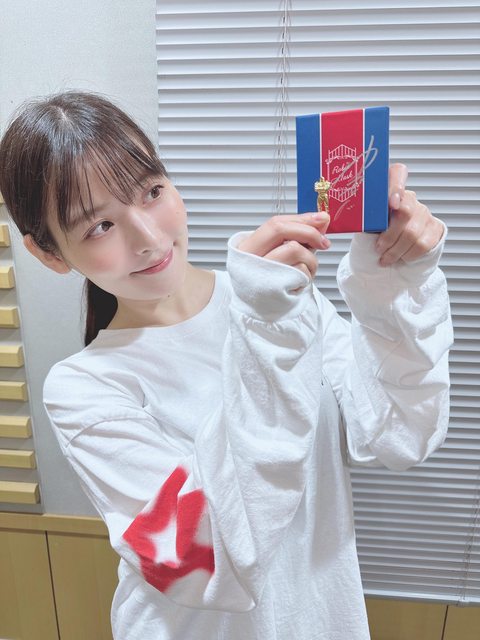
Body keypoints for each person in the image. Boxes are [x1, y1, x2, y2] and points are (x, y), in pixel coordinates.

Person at [0, 91, 452, 640]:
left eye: (151, 192)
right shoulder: (83, 389)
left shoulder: (278, 303)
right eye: (99, 226)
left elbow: (399, 436)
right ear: (49, 253)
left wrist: (393, 281)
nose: (149, 239)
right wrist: (265, 330)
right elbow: (206, 563)